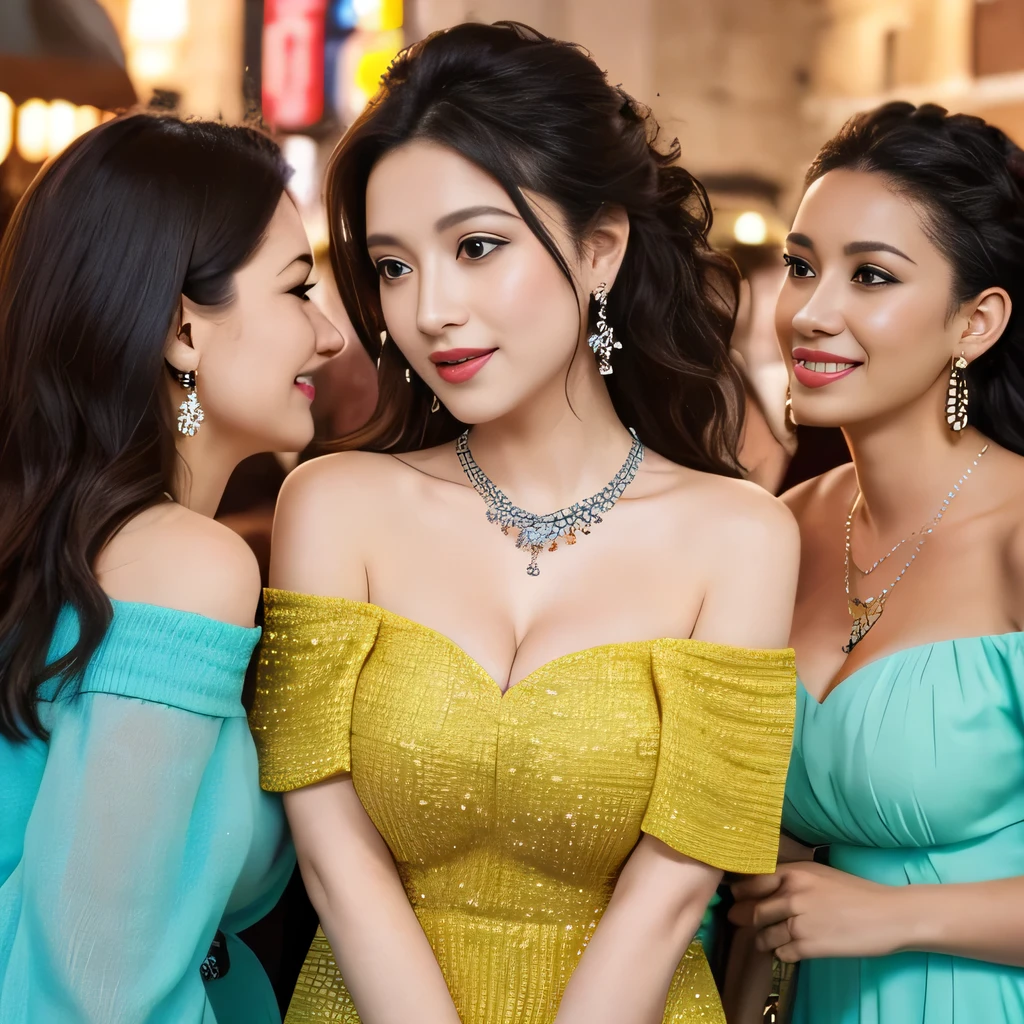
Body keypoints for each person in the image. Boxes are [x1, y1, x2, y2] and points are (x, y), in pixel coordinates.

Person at [250, 21, 798, 1024]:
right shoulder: (331, 503)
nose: (430, 310)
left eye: (475, 247)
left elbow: (673, 885)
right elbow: (331, 853)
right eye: (393, 265)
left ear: (599, 250)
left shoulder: (742, 535)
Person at [0, 112, 342, 1022]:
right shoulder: (187, 566)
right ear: (184, 330)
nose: (331, 334)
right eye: (298, 289)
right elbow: (94, 989)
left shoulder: (69, 544)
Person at [729, 102, 1024, 1023]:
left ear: (975, 322)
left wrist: (897, 916)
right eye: (803, 267)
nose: (813, 313)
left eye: (871, 276)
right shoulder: (782, 529)